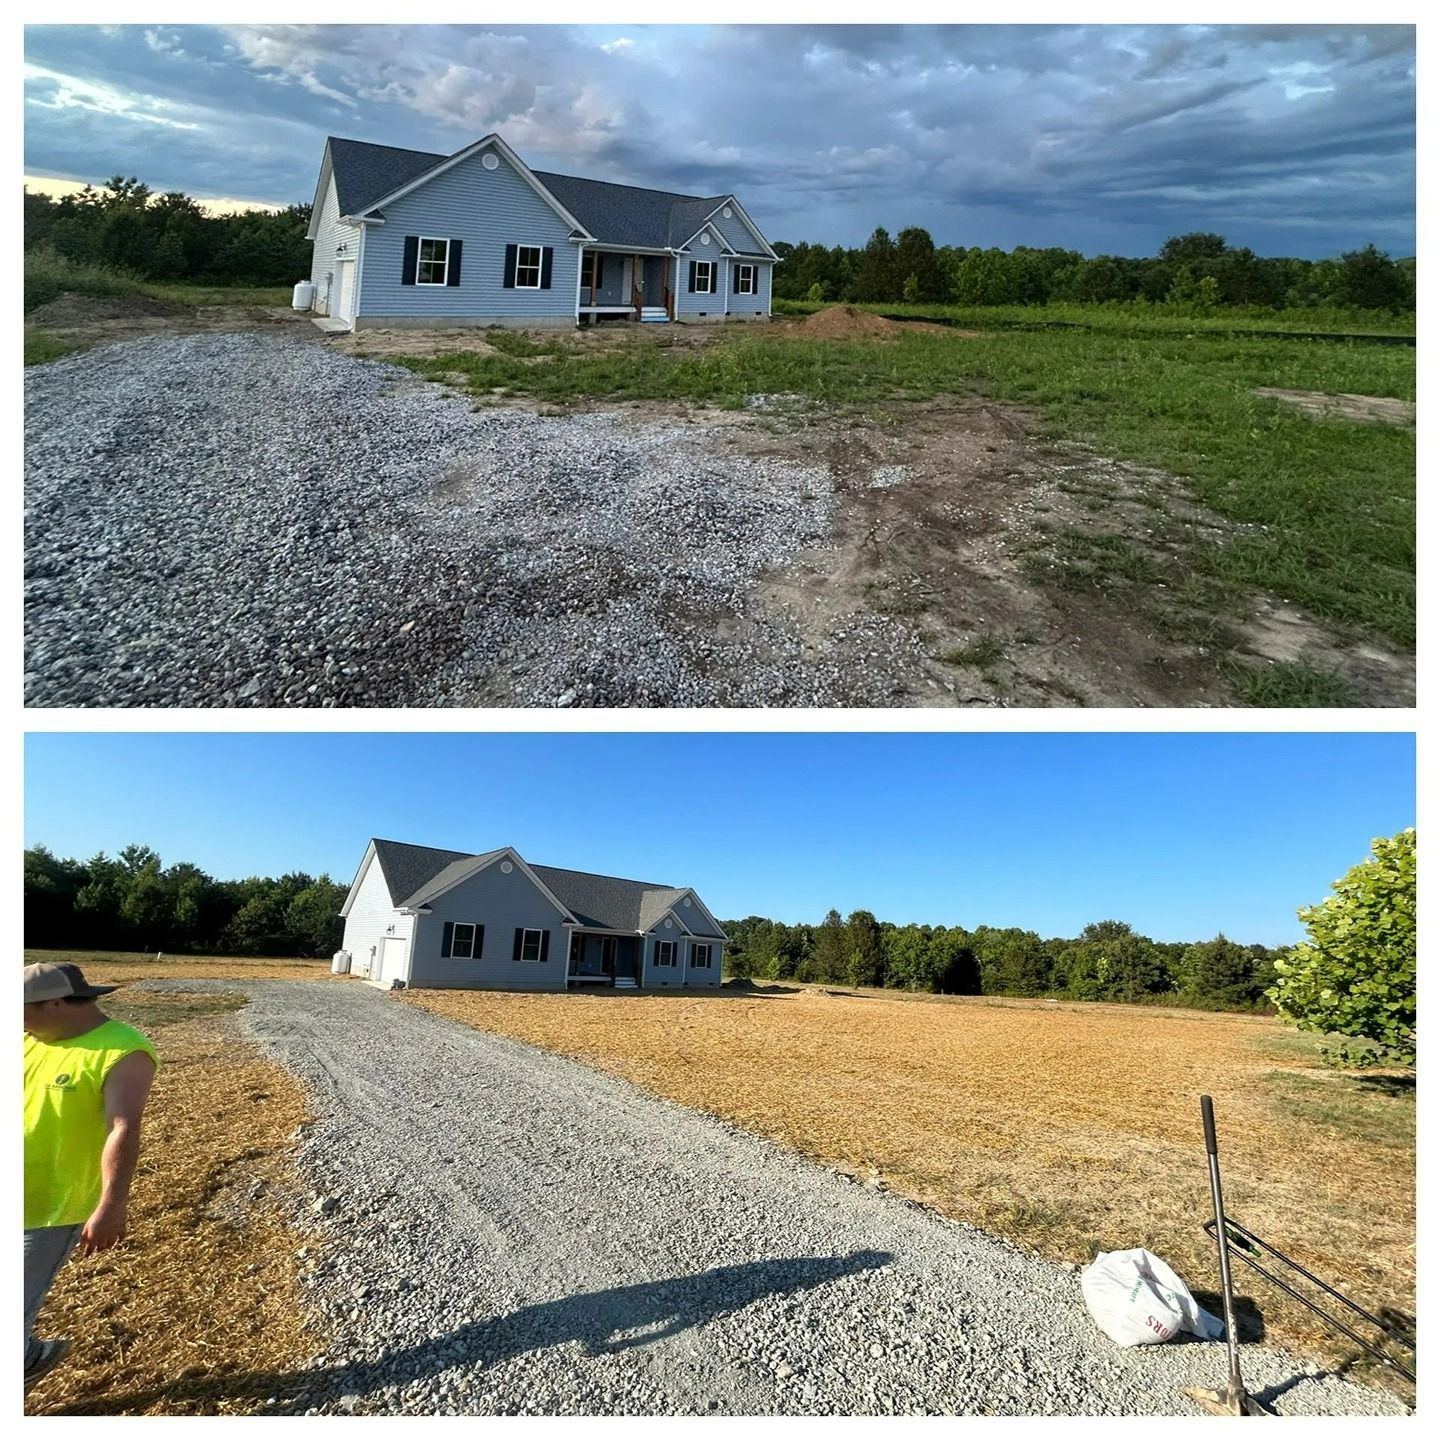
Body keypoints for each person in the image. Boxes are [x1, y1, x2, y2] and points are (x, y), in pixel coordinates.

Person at [23, 962, 158, 1393]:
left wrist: (111, 1205)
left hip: (51, 1205)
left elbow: (124, 1127)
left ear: (58, 1003)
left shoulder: (122, 1049)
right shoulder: (29, 1039)